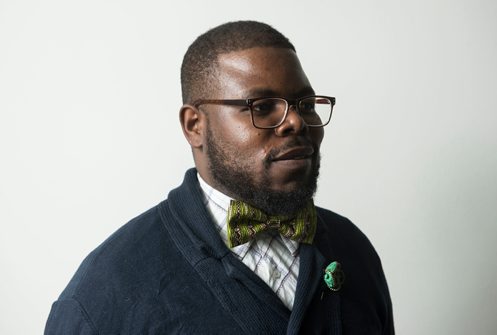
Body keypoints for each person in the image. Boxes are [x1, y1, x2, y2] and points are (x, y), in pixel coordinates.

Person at [45, 21, 394, 334]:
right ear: (194, 125)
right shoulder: (106, 291)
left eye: (305, 104)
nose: (296, 122)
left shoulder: (353, 249)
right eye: (261, 106)